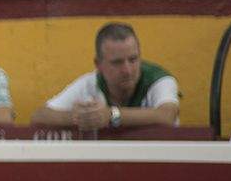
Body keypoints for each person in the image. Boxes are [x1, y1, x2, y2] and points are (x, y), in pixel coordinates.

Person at [31, 21, 181, 129]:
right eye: (117, 62)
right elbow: (39, 117)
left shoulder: (159, 79)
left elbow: (167, 115)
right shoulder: (90, 83)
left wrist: (111, 116)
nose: (127, 70)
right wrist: (78, 118)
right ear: (98, 64)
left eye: (133, 59)